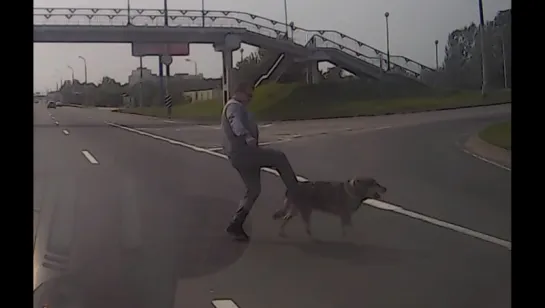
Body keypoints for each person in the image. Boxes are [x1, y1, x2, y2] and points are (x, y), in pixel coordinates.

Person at [221, 82, 300, 241]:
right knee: (279, 157)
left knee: (254, 189)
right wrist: (246, 136)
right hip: (244, 153)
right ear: (239, 92)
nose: (250, 99)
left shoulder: (239, 107)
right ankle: (297, 192)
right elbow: (235, 122)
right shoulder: (234, 106)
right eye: (249, 95)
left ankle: (236, 224)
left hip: (240, 155)